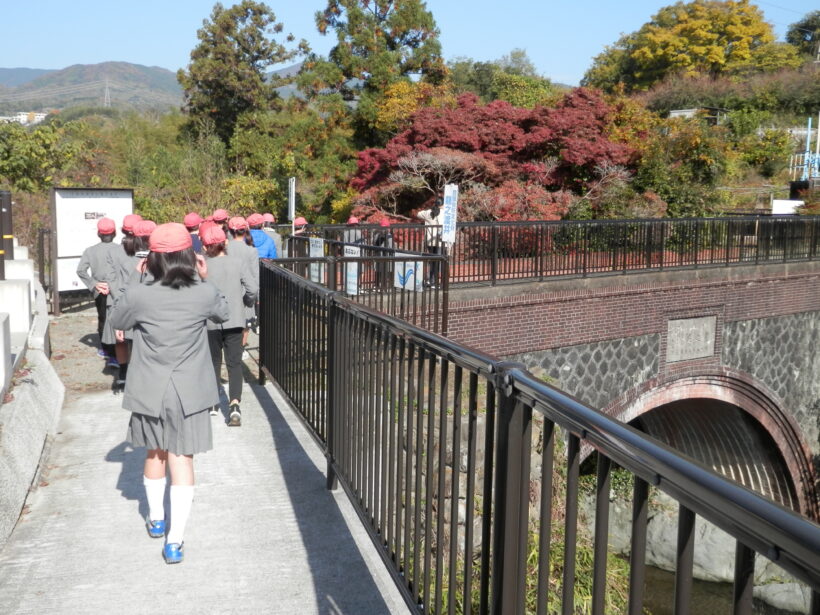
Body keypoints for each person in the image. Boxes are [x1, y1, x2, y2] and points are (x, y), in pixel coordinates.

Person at [109, 222, 230, 565]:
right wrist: (207, 279)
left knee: (155, 453)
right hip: (190, 388)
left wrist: (137, 278)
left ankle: (156, 519)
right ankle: (175, 541)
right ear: (190, 257)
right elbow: (223, 312)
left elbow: (119, 320)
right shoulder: (203, 292)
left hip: (150, 385)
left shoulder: (140, 293)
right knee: (183, 458)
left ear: (154, 259)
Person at [201, 224, 257, 426]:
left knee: (213, 362)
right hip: (234, 319)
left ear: (205, 245)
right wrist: (246, 303)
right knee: (234, 364)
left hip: (210, 320)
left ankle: (213, 403)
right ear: (225, 242)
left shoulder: (202, 265)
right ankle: (234, 406)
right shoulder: (237, 262)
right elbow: (252, 288)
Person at [106, 219, 156, 392]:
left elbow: (114, 282)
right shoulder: (160, 255)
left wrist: (119, 306)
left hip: (128, 305)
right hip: (153, 310)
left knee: (128, 343)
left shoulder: (118, 252)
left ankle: (126, 375)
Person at [77, 218, 121, 362]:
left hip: (100, 290)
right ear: (114, 233)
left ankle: (105, 350)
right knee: (119, 319)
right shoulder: (121, 250)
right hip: (117, 289)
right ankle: (119, 352)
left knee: (102, 318)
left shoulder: (90, 251)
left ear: (98, 234)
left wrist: (94, 284)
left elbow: (81, 270)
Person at [227, 216, 260, 349]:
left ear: (230, 230)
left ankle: (231, 348)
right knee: (246, 323)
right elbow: (255, 275)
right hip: (246, 292)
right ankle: (242, 348)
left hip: (228, 290)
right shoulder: (251, 251)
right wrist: (255, 297)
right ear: (246, 230)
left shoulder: (225, 249)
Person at [416, 199, 445, 287]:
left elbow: (418, 214)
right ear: (443, 205)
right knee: (438, 260)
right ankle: (435, 281)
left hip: (430, 241)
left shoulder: (429, 213)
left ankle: (431, 280)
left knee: (432, 260)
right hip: (440, 241)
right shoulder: (445, 213)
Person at [374, 218, 394, 289]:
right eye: (382, 228)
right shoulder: (377, 236)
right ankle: (377, 285)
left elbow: (391, 248)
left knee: (389, 271)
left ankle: (389, 286)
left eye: (385, 228)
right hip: (379, 256)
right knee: (378, 271)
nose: (384, 230)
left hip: (387, 257)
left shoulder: (390, 236)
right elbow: (375, 245)